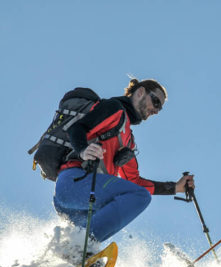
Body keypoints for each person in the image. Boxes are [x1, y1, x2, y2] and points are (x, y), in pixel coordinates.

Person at [53, 78, 194, 256]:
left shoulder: (127, 139)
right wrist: (83, 150)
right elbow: (76, 129)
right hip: (74, 182)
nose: (156, 110)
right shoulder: (115, 109)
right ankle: (79, 249)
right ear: (140, 92)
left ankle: (66, 266)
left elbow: (134, 181)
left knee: (77, 247)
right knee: (139, 197)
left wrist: (174, 188)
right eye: (155, 102)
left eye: (160, 108)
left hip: (76, 203)